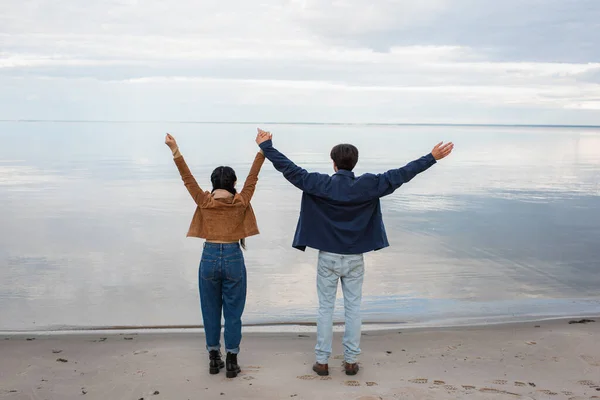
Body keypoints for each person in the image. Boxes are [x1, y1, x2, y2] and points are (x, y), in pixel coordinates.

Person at [255, 129, 454, 376]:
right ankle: (350, 362)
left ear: (334, 163)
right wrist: (431, 157)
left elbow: (289, 169)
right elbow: (403, 174)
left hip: (327, 256)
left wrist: (267, 146)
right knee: (353, 309)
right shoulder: (368, 185)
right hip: (354, 258)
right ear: (354, 163)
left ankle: (322, 361)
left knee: (325, 309)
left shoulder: (320, 183)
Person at [166, 131, 270, 378]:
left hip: (210, 256)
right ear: (233, 184)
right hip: (233, 256)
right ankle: (232, 360)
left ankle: (214, 357)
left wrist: (175, 149)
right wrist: (262, 149)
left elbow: (187, 178)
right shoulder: (241, 201)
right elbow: (253, 178)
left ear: (213, 184)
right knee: (233, 312)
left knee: (210, 310)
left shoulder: (204, 200)